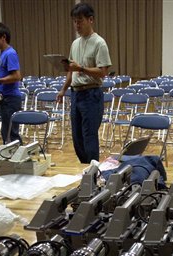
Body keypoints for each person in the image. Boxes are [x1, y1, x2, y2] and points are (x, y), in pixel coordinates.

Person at [57, 3, 111, 164]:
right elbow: (71, 71)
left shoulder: (99, 43)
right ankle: (84, 168)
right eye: (74, 21)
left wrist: (80, 68)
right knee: (77, 137)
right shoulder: (75, 44)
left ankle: (93, 173)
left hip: (91, 94)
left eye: (80, 21)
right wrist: (63, 90)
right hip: (75, 93)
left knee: (89, 136)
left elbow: (103, 72)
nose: (77, 25)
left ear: (91, 20)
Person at [0, 22, 22, 144]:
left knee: (11, 133)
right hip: (4, 99)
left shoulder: (10, 53)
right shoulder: (3, 53)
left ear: (3, 37)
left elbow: (16, 76)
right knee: (6, 132)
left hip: (11, 99)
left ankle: (18, 158)